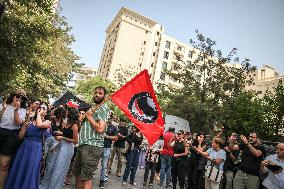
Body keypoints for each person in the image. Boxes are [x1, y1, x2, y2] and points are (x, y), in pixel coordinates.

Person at [4, 105, 51, 189]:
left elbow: (39, 125)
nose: (42, 110)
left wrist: (39, 115)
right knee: (20, 167)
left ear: (47, 111)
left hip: (36, 149)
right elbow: (20, 137)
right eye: (41, 108)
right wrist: (24, 127)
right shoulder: (29, 121)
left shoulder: (48, 122)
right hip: (24, 147)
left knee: (31, 168)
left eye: (44, 108)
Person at [73, 86, 110, 189]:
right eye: (96, 93)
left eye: (100, 93)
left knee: (86, 178)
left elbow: (100, 129)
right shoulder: (92, 107)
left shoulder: (103, 108)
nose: (97, 95)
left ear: (104, 96)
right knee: (78, 175)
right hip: (83, 144)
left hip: (92, 146)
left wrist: (89, 117)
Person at [40, 107, 79, 189]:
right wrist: (60, 133)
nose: (66, 113)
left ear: (71, 114)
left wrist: (63, 138)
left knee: (59, 169)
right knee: (52, 166)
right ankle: (46, 185)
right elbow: (66, 133)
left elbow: (76, 141)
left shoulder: (75, 126)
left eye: (68, 112)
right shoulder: (67, 123)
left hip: (67, 148)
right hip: (61, 145)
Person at [0, 89, 27, 188]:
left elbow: (17, 123)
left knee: (4, 165)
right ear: (13, 96)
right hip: (1, 131)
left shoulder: (22, 110)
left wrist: (16, 110)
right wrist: (3, 108)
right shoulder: (3, 105)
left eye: (22, 98)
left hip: (12, 135)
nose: (19, 99)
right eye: (17, 96)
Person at [99, 119, 118, 189]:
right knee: (94, 163)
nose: (109, 118)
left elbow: (116, 138)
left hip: (107, 148)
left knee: (104, 165)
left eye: (111, 117)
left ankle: (102, 181)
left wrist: (107, 136)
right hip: (97, 146)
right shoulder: (100, 123)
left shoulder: (113, 127)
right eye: (109, 117)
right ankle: (88, 178)